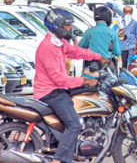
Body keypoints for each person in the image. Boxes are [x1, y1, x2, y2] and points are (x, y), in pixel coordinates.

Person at [34, 10, 106, 163]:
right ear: (58, 26)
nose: (70, 28)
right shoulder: (48, 47)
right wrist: (84, 80)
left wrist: (99, 56)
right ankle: (58, 160)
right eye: (67, 25)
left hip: (58, 88)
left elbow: (75, 51)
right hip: (50, 92)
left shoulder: (59, 43)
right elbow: (59, 79)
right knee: (74, 125)